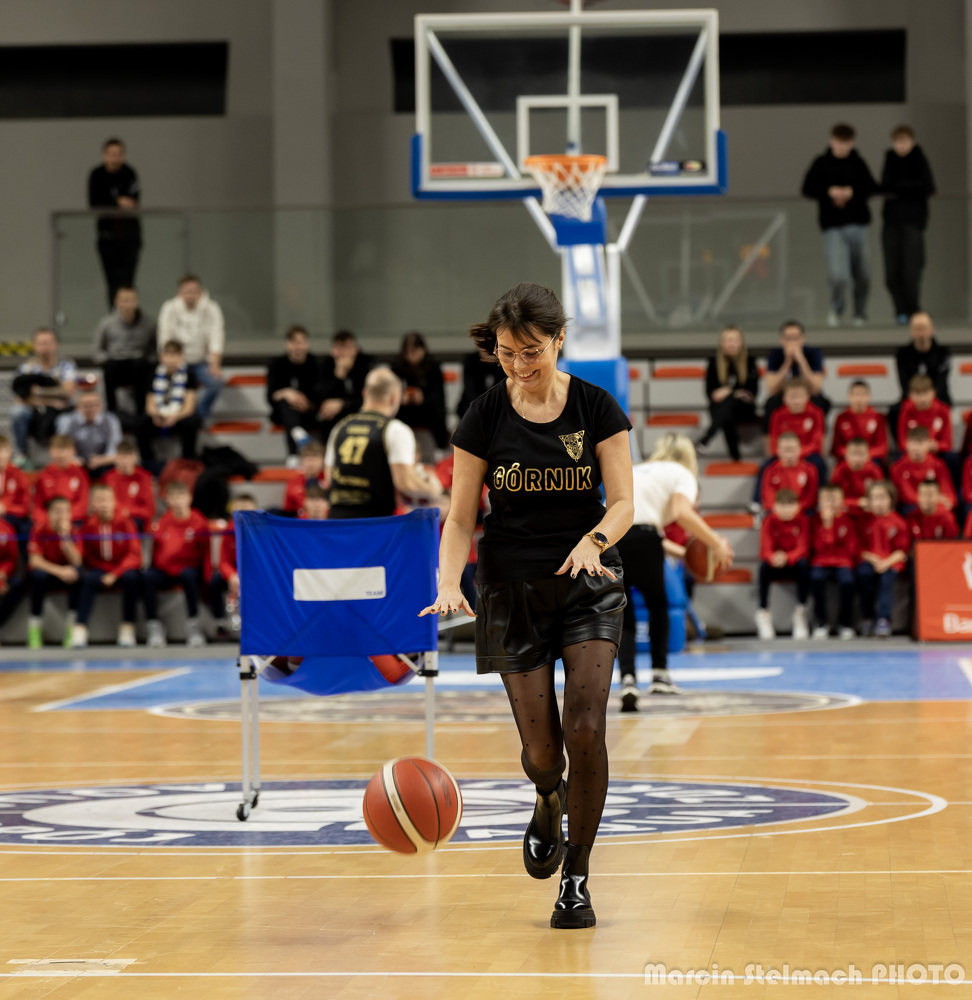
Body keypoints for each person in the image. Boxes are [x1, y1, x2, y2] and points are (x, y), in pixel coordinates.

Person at [419, 282, 635, 930]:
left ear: (559, 339)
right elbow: (461, 518)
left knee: (585, 728)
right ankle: (547, 796)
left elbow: (624, 503)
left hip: (587, 580)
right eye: (507, 353)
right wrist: (448, 582)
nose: (518, 364)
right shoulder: (483, 415)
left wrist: (595, 541)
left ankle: (577, 876)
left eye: (531, 351)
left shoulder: (597, 406)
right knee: (544, 753)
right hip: (511, 588)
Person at [616, 433, 733, 707]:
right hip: (646, 538)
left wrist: (685, 554)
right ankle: (660, 675)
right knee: (658, 606)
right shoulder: (681, 473)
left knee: (624, 612)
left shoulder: (638, 469)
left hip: (615, 538)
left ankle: (627, 679)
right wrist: (716, 542)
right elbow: (681, 513)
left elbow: (644, 526)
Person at [326, 367, 443, 519]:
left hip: (338, 520)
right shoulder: (395, 429)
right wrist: (434, 488)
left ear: (364, 393)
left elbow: (329, 478)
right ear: (394, 397)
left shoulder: (340, 427)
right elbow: (406, 483)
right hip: (375, 521)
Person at [801, 123, 879, 326]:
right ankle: (837, 308)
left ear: (852, 143)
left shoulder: (858, 163)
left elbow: (872, 187)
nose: (842, 146)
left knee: (863, 274)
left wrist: (851, 192)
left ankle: (860, 314)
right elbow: (807, 188)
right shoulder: (821, 163)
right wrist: (829, 191)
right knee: (838, 275)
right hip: (833, 227)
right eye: (839, 142)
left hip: (859, 225)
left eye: (846, 143)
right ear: (831, 141)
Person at [142, 480, 212, 649]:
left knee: (189, 576)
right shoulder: (163, 522)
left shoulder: (199, 521)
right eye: (173, 497)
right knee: (147, 578)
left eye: (181, 496)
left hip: (189, 569)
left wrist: (207, 577)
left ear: (189, 498)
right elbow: (156, 550)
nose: (177, 501)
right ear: (167, 500)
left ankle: (194, 627)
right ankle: (154, 627)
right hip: (166, 570)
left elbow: (206, 552)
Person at [73, 483, 142, 649]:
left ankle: (127, 627)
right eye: (99, 500)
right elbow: (80, 554)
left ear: (114, 502)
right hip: (98, 568)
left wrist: (115, 573)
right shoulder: (88, 525)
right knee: (87, 579)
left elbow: (135, 555)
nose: (104, 504)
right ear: (93, 504)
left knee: (132, 578)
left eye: (107, 500)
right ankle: (80, 628)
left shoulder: (125, 523)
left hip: (121, 568)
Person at [881, 125, 936, 323]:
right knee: (891, 271)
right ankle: (901, 311)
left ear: (912, 142)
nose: (901, 146)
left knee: (911, 269)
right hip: (891, 222)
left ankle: (913, 310)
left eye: (904, 141)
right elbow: (884, 186)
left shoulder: (919, 159)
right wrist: (909, 188)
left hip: (913, 222)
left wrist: (901, 188)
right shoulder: (890, 159)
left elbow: (928, 186)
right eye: (897, 142)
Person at [157, 275, 225, 419]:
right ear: (179, 292)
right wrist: (168, 361)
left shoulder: (211, 308)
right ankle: (174, 416)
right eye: (186, 291)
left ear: (200, 292)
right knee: (166, 385)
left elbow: (216, 335)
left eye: (193, 291)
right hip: (177, 362)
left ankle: (199, 417)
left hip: (201, 362)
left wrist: (215, 363)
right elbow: (164, 336)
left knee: (216, 383)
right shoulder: (169, 308)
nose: (190, 295)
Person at [10, 328, 78, 465]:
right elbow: (19, 399)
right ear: (34, 345)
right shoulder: (25, 368)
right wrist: (51, 401)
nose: (45, 348)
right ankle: (21, 454)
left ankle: (60, 458)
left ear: (56, 344)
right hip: (35, 411)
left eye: (48, 343)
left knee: (66, 421)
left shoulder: (66, 365)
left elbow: (67, 392)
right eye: (41, 343)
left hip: (61, 411)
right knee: (17, 412)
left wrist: (37, 391)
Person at [87, 138, 141, 306]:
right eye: (112, 154)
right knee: (112, 281)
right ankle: (114, 312)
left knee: (128, 280)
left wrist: (121, 203)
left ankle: (128, 312)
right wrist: (117, 202)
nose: (115, 158)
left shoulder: (129, 173)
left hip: (129, 236)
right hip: (107, 237)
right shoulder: (97, 175)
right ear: (104, 156)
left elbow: (134, 201)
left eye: (119, 154)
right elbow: (95, 202)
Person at [26, 496, 82, 649]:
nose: (61, 515)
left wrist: (65, 538)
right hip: (48, 572)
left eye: (65, 511)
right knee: (37, 576)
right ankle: (34, 628)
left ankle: (71, 628)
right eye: (57, 511)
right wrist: (59, 571)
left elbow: (77, 561)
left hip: (66, 575)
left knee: (78, 574)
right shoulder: (39, 529)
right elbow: (34, 560)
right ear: (48, 513)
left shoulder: (74, 531)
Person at [696, 325, 759, 460]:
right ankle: (735, 457)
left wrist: (729, 391)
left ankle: (707, 438)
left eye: (735, 340)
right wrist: (736, 392)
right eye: (728, 340)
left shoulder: (750, 361)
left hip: (744, 409)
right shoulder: (713, 363)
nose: (731, 344)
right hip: (721, 408)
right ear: (722, 343)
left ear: (741, 342)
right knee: (726, 410)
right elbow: (710, 394)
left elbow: (752, 393)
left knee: (728, 403)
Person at [755, 489, 811, 640]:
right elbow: (765, 549)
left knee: (804, 565)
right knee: (763, 568)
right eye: (782, 505)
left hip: (793, 564)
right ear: (774, 506)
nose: (786, 510)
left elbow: (803, 547)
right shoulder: (769, 521)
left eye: (790, 505)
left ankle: (801, 611)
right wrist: (773, 557)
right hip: (775, 564)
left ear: (798, 506)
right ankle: (763, 612)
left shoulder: (803, 520)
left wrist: (787, 557)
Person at [92, 286, 156, 416]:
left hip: (139, 365)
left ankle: (142, 412)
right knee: (109, 367)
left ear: (137, 301)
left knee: (142, 366)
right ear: (116, 302)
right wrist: (106, 359)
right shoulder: (106, 324)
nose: (128, 305)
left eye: (131, 300)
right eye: (124, 300)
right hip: (115, 364)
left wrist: (149, 359)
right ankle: (112, 411)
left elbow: (155, 349)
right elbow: (96, 351)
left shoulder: (148, 323)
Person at [137, 340, 202, 465]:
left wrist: (175, 417)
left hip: (178, 416)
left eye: (175, 356)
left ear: (181, 357)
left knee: (192, 422)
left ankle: (188, 461)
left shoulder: (189, 374)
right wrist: (156, 415)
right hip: (159, 416)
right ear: (162, 357)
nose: (172, 360)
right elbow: (149, 404)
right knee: (140, 424)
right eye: (168, 356)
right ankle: (149, 463)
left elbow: (189, 407)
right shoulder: (153, 373)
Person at [857, 480, 908, 638]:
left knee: (887, 579)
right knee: (863, 574)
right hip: (870, 560)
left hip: (891, 562)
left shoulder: (899, 522)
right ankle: (867, 618)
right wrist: (874, 559)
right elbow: (860, 549)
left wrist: (886, 563)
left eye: (882, 498)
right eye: (874, 498)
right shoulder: (864, 521)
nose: (878, 502)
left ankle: (884, 619)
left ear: (891, 500)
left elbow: (902, 551)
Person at [266, 325, 322, 465]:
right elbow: (270, 396)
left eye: (301, 342)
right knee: (286, 403)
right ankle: (296, 441)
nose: (298, 347)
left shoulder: (315, 364)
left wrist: (307, 403)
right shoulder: (277, 364)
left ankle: (294, 454)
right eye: (295, 342)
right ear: (288, 344)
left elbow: (321, 393)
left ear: (307, 343)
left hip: (309, 411)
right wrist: (287, 393)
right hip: (284, 413)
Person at [892, 312, 952, 442]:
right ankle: (904, 447)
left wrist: (928, 398)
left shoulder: (943, 353)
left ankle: (939, 445)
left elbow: (941, 383)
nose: (920, 332)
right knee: (895, 410)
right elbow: (904, 383)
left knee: (944, 407)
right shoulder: (902, 354)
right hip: (912, 398)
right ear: (911, 331)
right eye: (916, 328)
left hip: (937, 397)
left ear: (932, 329)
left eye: (923, 328)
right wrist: (917, 397)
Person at [809, 484, 859, 640]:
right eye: (826, 499)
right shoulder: (815, 520)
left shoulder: (849, 520)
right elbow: (817, 548)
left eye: (834, 499)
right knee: (816, 578)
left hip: (843, 562)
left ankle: (845, 623)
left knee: (848, 581)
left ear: (842, 501)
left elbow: (851, 549)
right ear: (819, 501)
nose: (830, 503)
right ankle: (820, 622)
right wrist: (827, 525)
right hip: (820, 561)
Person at [392, 331, 449, 464]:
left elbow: (439, 397)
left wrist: (423, 397)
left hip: (428, 419)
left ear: (423, 350)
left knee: (428, 458)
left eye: (415, 352)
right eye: (408, 353)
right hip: (404, 418)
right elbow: (391, 394)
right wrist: (401, 397)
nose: (412, 357)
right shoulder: (397, 367)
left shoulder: (433, 366)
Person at [761, 320, 830, 431]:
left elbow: (815, 388)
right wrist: (787, 362)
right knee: (770, 403)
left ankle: (818, 441)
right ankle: (770, 442)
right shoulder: (774, 355)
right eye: (788, 338)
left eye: (796, 338)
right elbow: (772, 389)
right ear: (781, 340)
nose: (792, 342)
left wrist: (801, 360)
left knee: (820, 403)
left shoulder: (814, 353)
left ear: (802, 339)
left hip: (807, 395)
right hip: (784, 396)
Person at [316, 330, 374, 447]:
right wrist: (338, 377)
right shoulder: (325, 365)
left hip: (359, 410)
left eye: (347, 348)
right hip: (333, 415)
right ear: (332, 351)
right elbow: (318, 395)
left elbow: (370, 397)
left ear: (356, 349)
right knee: (327, 413)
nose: (344, 354)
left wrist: (343, 403)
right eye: (339, 348)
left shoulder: (366, 365)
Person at [210, 493, 257, 636]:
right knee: (215, 581)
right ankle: (220, 623)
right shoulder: (229, 530)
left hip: (254, 573)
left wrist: (244, 575)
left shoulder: (260, 531)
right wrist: (231, 575)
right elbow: (223, 560)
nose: (243, 513)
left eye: (247, 509)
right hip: (234, 572)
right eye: (239, 509)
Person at [765, 378, 827, 484]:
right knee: (766, 467)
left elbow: (816, 443)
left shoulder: (816, 413)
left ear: (807, 397)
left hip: (808, 455)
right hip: (784, 455)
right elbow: (774, 443)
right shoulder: (777, 415)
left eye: (800, 396)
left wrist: (796, 454)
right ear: (785, 398)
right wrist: (787, 454)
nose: (796, 401)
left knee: (819, 464)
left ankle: (821, 493)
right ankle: (759, 495)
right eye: (792, 397)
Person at [55, 390, 123, 478]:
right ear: (77, 407)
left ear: (101, 406)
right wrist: (74, 459)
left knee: (119, 464)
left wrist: (101, 460)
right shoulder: (66, 421)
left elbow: (116, 450)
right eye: (86, 406)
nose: (91, 409)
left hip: (103, 462)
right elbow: (60, 448)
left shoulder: (111, 420)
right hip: (75, 462)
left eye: (95, 405)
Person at [891, 426, 955, 512]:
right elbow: (903, 496)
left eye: (920, 443)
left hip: (933, 506)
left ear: (929, 444)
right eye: (912, 443)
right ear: (906, 444)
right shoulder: (897, 468)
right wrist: (930, 499)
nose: (916, 448)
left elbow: (949, 494)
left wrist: (946, 502)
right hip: (911, 507)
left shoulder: (938, 465)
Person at [757, 432, 819, 514]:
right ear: (778, 450)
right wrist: (782, 511)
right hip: (777, 513)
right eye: (785, 450)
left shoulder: (810, 470)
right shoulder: (770, 470)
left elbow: (811, 498)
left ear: (800, 449)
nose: (789, 455)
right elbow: (768, 498)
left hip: (802, 512)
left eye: (792, 450)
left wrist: (795, 509)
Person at [34, 436, 90, 525]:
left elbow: (82, 504)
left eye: (66, 451)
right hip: (48, 521)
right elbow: (38, 505)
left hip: (73, 520)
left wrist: (65, 517)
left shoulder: (80, 474)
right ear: (50, 452)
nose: (61, 455)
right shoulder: (44, 474)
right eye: (57, 450)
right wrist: (46, 519)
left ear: (74, 452)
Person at [102, 440, 155, 533]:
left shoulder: (144, 477)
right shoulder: (108, 478)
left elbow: (149, 510)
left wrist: (128, 511)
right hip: (114, 519)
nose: (124, 462)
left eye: (128, 458)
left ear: (135, 458)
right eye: (121, 458)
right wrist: (122, 512)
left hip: (136, 520)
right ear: (115, 459)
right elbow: (105, 504)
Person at [830, 380, 888, 464]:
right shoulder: (841, 417)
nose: (859, 398)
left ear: (869, 396)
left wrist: (863, 456)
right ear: (849, 396)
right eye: (855, 394)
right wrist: (852, 455)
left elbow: (882, 448)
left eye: (862, 394)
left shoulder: (878, 417)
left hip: (871, 459)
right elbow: (836, 448)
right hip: (847, 460)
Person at [831, 438, 884, 520]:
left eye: (861, 454)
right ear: (846, 455)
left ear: (868, 456)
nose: (857, 458)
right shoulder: (839, 470)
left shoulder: (874, 471)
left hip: (868, 511)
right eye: (853, 454)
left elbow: (880, 496)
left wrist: (870, 503)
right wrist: (857, 502)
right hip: (845, 511)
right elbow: (833, 497)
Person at [0, 435, 32, 556]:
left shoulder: (18, 475)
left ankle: (23, 564)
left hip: (12, 517)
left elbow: (25, 507)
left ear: (9, 452)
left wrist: (5, 509)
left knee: (25, 527)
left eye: (2, 450)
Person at [456, 349, 504, 419]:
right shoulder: (471, 360)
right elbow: (470, 389)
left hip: (497, 406)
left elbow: (503, 387)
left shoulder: (502, 361)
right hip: (472, 406)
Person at [283, 442, 327, 517]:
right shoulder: (294, 482)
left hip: (327, 520)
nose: (311, 462)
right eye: (307, 457)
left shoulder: (329, 480)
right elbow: (288, 511)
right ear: (301, 460)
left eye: (315, 457)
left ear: (323, 460)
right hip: (300, 521)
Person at [0, 516, 24, 645]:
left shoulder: (7, 528)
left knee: (17, 584)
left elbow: (11, 558)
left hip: (3, 574)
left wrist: (2, 575)